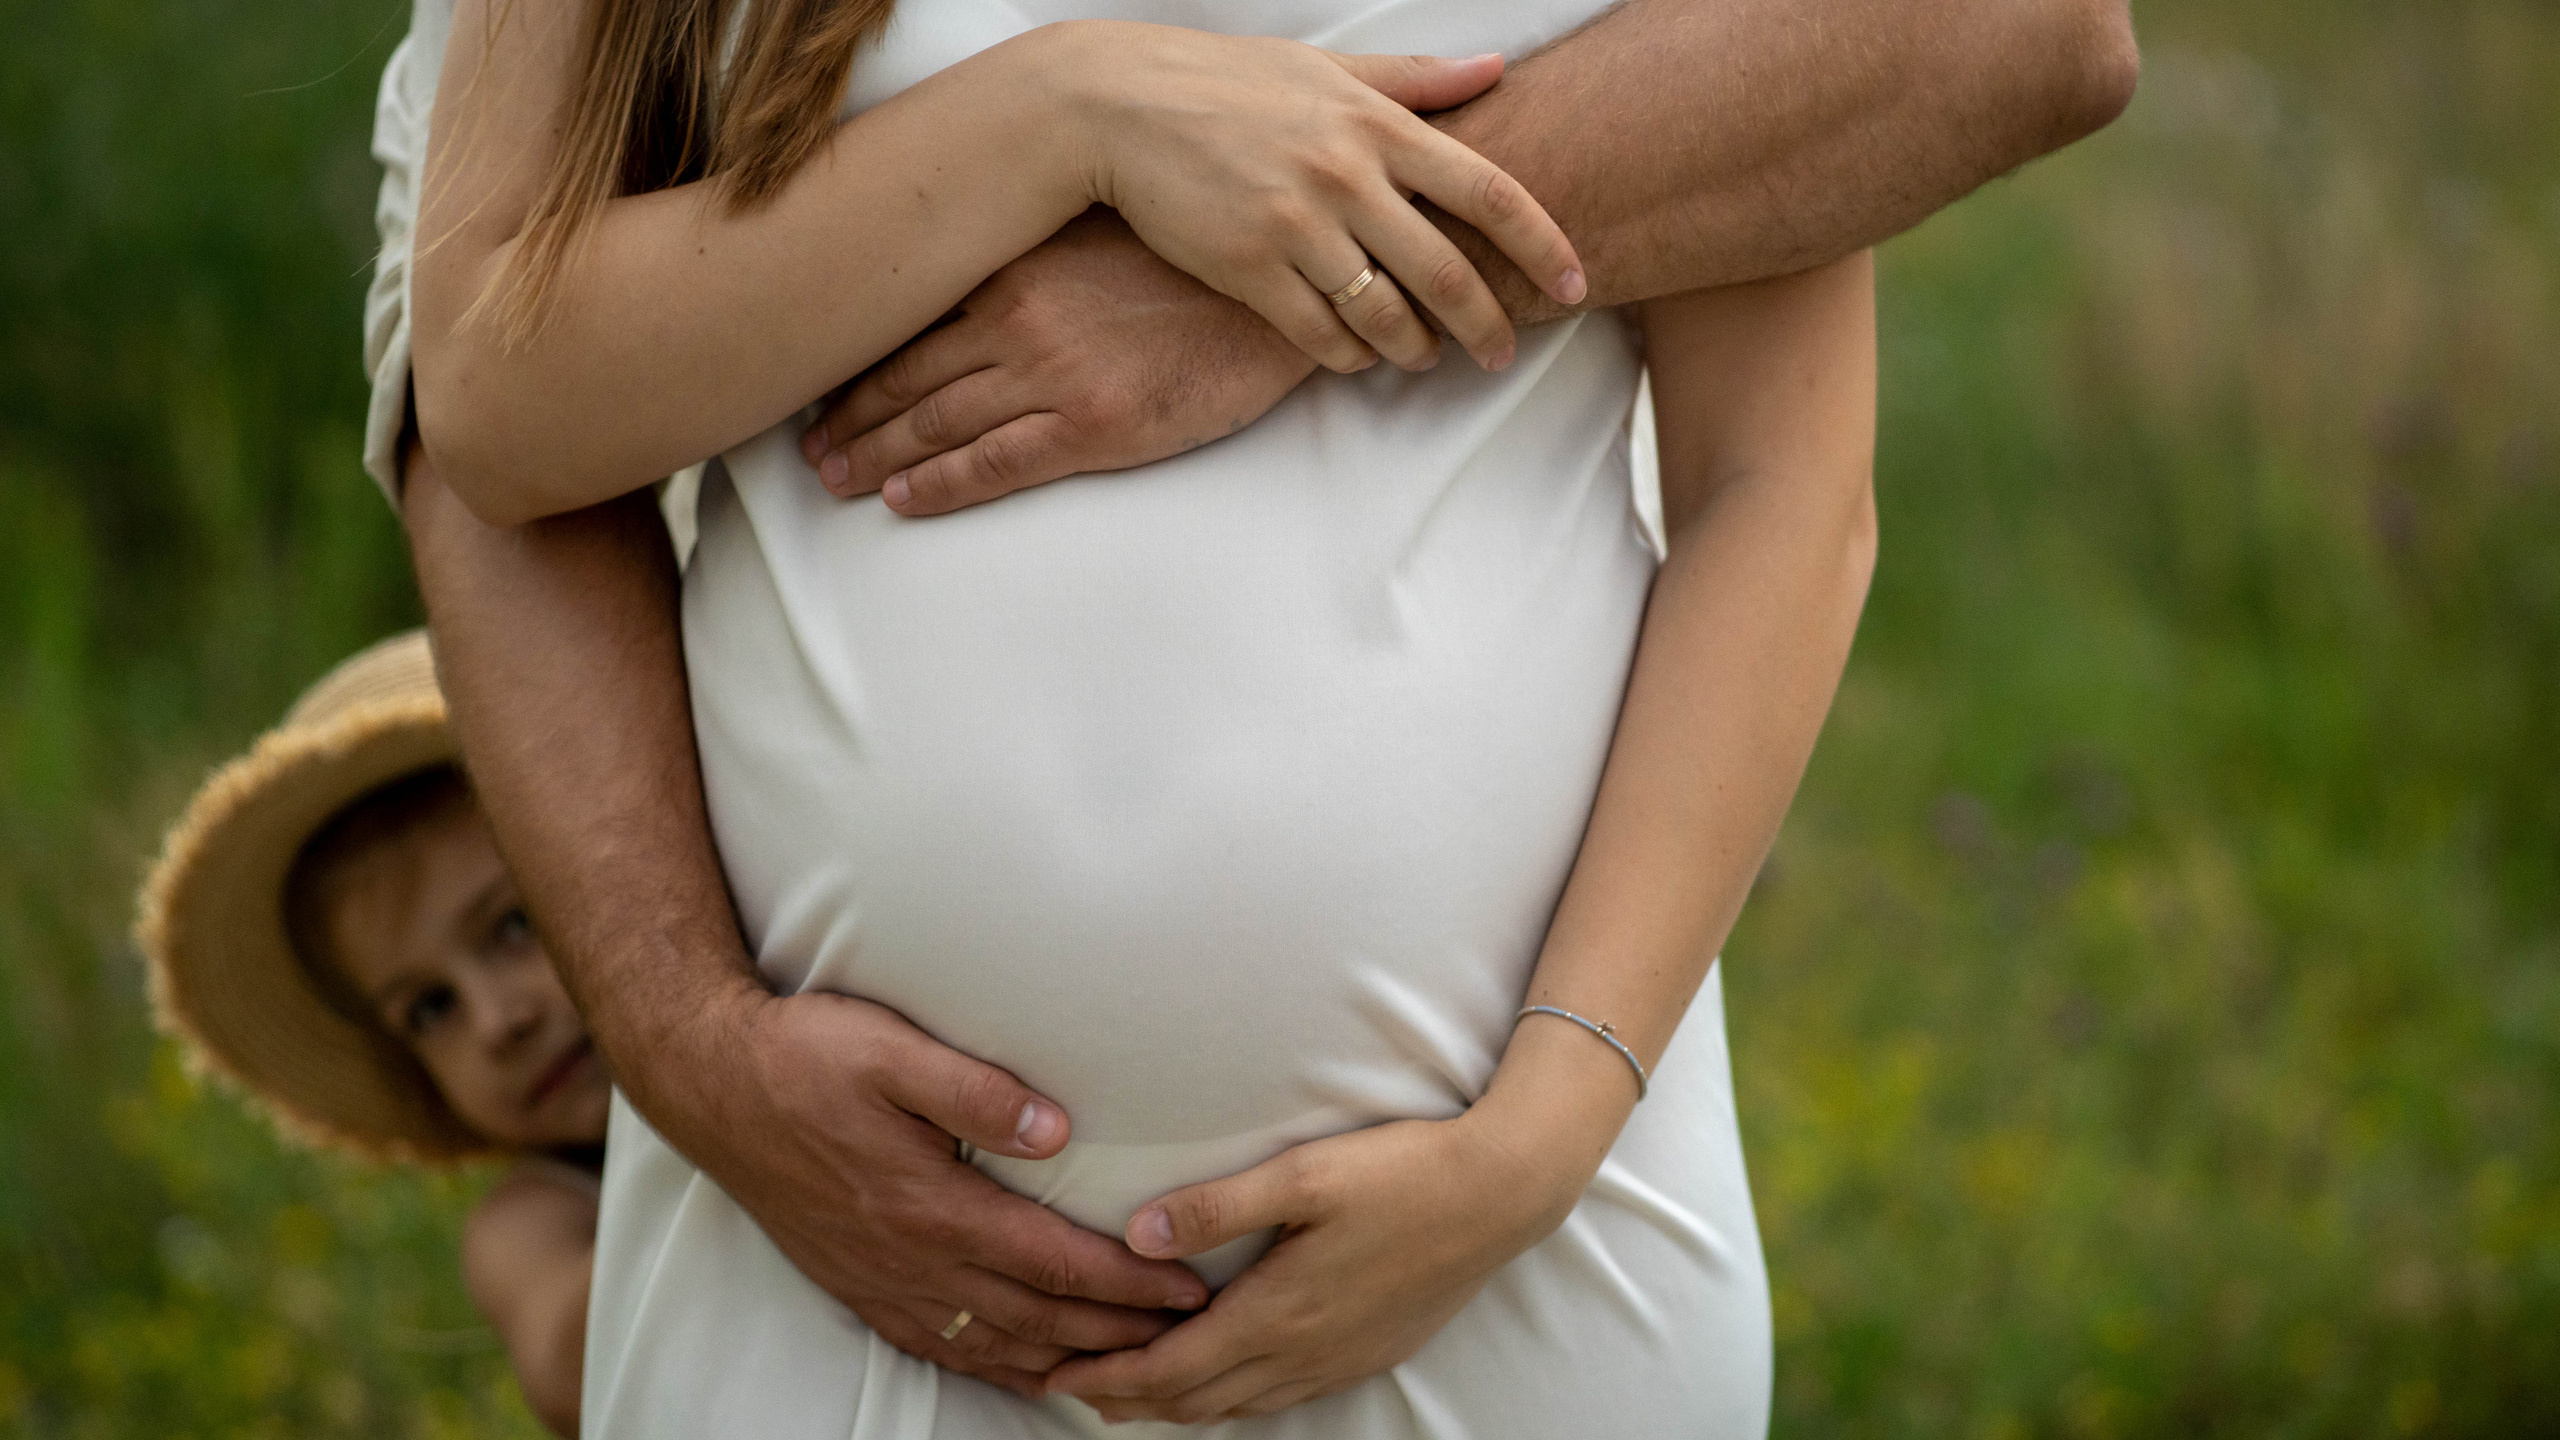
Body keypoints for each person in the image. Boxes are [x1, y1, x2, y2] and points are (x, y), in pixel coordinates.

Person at [372, 0, 2136, 1433]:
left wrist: (1542, 1138)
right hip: (840, 1291)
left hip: (1515, 1269)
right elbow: (497, 419)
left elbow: (1782, 477)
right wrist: (1067, 112)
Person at [135, 632, 603, 1436]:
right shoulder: (532, 1221)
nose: (498, 1022)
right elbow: (574, 1363)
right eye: (430, 1009)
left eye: (515, 926)